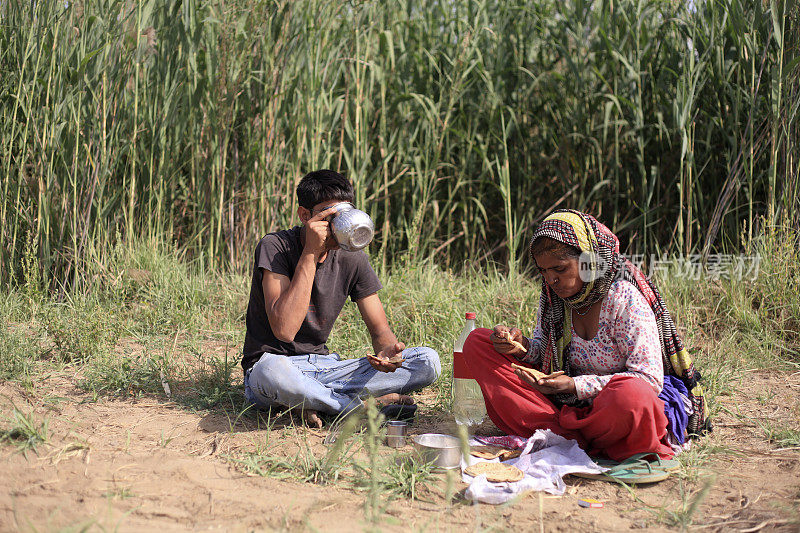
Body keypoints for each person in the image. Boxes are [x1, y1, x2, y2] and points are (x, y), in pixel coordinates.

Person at [462, 209, 709, 461]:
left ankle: (575, 438)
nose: (551, 280)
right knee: (479, 343)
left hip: (612, 412)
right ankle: (568, 436)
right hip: (563, 407)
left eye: (559, 269)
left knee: (632, 397)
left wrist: (574, 385)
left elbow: (647, 379)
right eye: (543, 271)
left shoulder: (623, 298)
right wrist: (519, 346)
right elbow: (543, 354)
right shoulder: (554, 298)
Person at [241, 169, 441, 428]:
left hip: (326, 368)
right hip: (274, 368)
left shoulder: (351, 257)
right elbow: (284, 331)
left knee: (427, 361)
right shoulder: (275, 246)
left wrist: (389, 353)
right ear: (305, 216)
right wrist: (311, 252)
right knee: (272, 373)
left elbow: (380, 329)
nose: (339, 224)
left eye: (344, 214)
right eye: (329, 216)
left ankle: (312, 401)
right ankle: (355, 407)